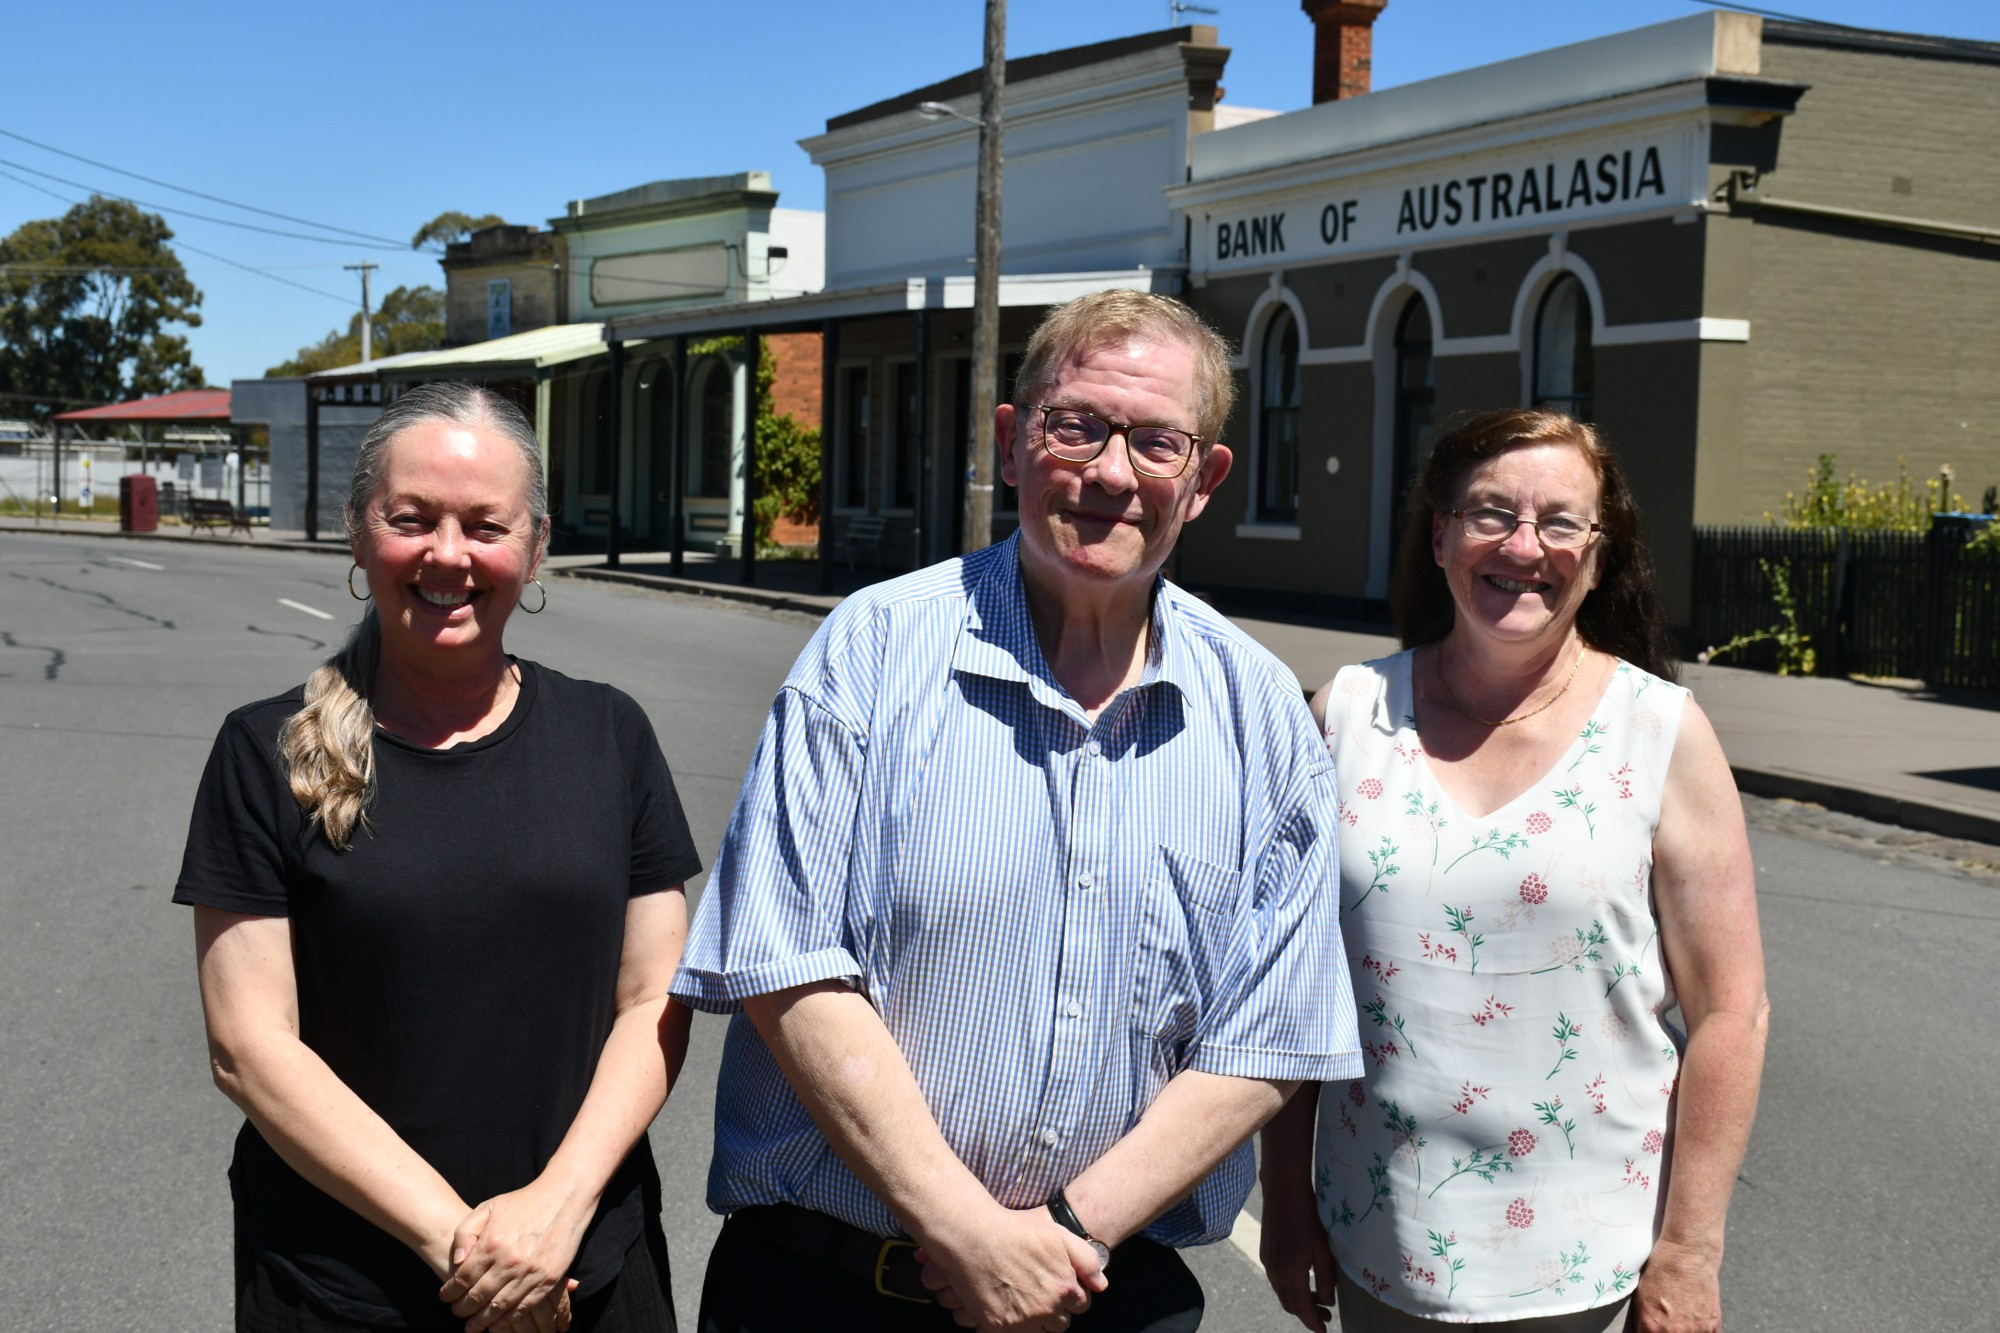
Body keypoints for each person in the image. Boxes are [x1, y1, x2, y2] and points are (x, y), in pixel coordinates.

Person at [671, 289, 1362, 1333]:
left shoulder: (1261, 712)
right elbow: (785, 962)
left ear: (1205, 477)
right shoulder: (868, 652)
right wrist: (968, 1231)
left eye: (1155, 442)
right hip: (827, 1293)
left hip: (1105, 1296)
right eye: (1073, 424)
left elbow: (1267, 1035)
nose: (1108, 473)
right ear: (1009, 440)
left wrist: (1068, 1236)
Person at [176, 382, 701, 1333]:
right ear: (356, 531)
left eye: (484, 525)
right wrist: (468, 1247)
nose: (447, 555)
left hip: (587, 1273)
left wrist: (555, 1214)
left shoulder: (610, 735)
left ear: (535, 547)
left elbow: (653, 1001)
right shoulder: (262, 751)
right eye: (410, 519)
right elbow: (250, 1049)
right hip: (344, 1292)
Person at [1259, 407, 1769, 1333]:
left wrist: (1690, 1252)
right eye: (1492, 512)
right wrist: (1285, 1201)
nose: (1524, 544)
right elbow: (1291, 989)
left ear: (1600, 556)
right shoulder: (1346, 713)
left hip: (1590, 1260)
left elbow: (1733, 1010)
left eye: (1561, 521)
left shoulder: (1661, 732)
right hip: (1383, 1238)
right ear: (1444, 534)